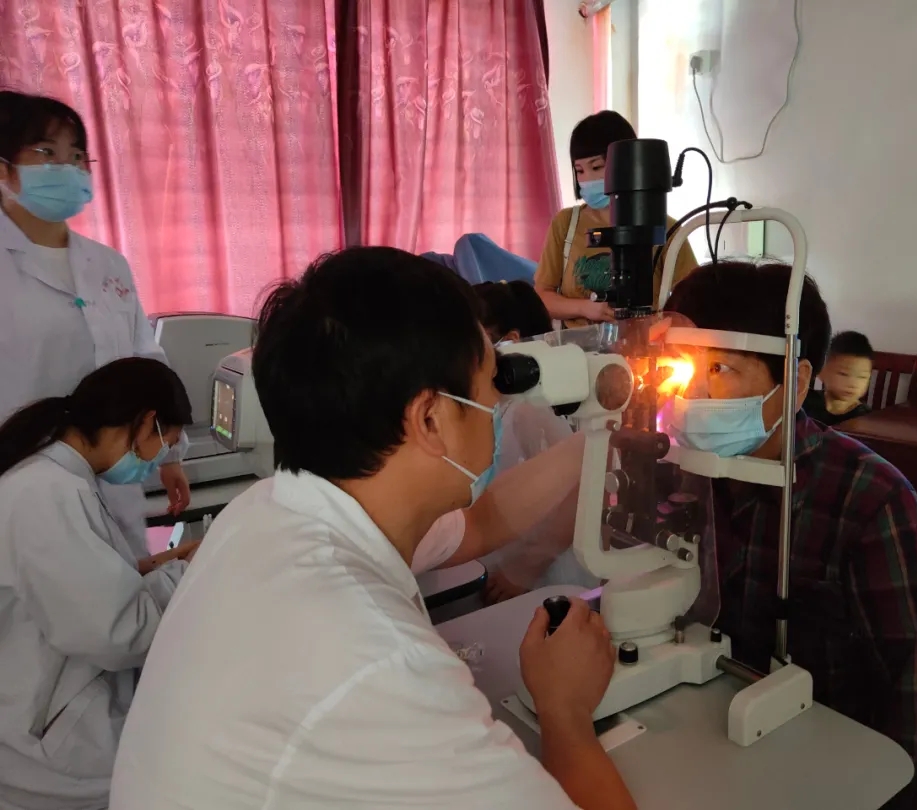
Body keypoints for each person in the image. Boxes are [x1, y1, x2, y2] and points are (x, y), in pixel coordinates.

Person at [110, 247, 636, 810]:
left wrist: (598, 435)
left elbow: (481, 524)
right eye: (493, 378)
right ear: (431, 419)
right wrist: (564, 710)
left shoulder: (269, 512)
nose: (500, 396)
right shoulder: (381, 664)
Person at [664, 261, 917, 810]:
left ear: (797, 380)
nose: (692, 393)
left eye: (720, 368)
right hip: (703, 741)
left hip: (825, 769)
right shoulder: (677, 473)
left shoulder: (871, 502)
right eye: (680, 367)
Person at [0, 90, 190, 558]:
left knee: (122, 589)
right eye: (46, 152)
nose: (67, 167)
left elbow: (145, 362)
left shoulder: (107, 265)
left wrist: (166, 451)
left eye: (77, 155)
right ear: (5, 170)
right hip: (22, 482)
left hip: (113, 479)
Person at [0, 357, 194, 810]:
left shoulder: (57, 477)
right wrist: (191, 573)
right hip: (51, 744)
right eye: (164, 446)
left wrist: (166, 562)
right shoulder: (45, 493)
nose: (155, 464)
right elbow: (121, 631)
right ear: (146, 423)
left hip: (60, 701)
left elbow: (88, 580)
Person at [473, 281, 601, 603]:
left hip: (545, 575)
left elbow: (580, 491)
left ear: (510, 343)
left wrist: (524, 568)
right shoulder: (496, 408)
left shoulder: (530, 409)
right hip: (509, 561)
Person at [534, 111, 698, 327]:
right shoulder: (565, 224)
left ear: (627, 164)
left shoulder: (666, 228)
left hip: (643, 342)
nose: (587, 179)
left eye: (597, 167)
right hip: (577, 345)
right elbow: (542, 297)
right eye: (579, 170)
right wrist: (586, 308)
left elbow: (693, 297)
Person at [804, 330, 874, 427]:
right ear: (821, 372)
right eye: (844, 374)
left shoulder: (865, 416)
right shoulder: (807, 401)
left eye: (862, 377)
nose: (852, 384)